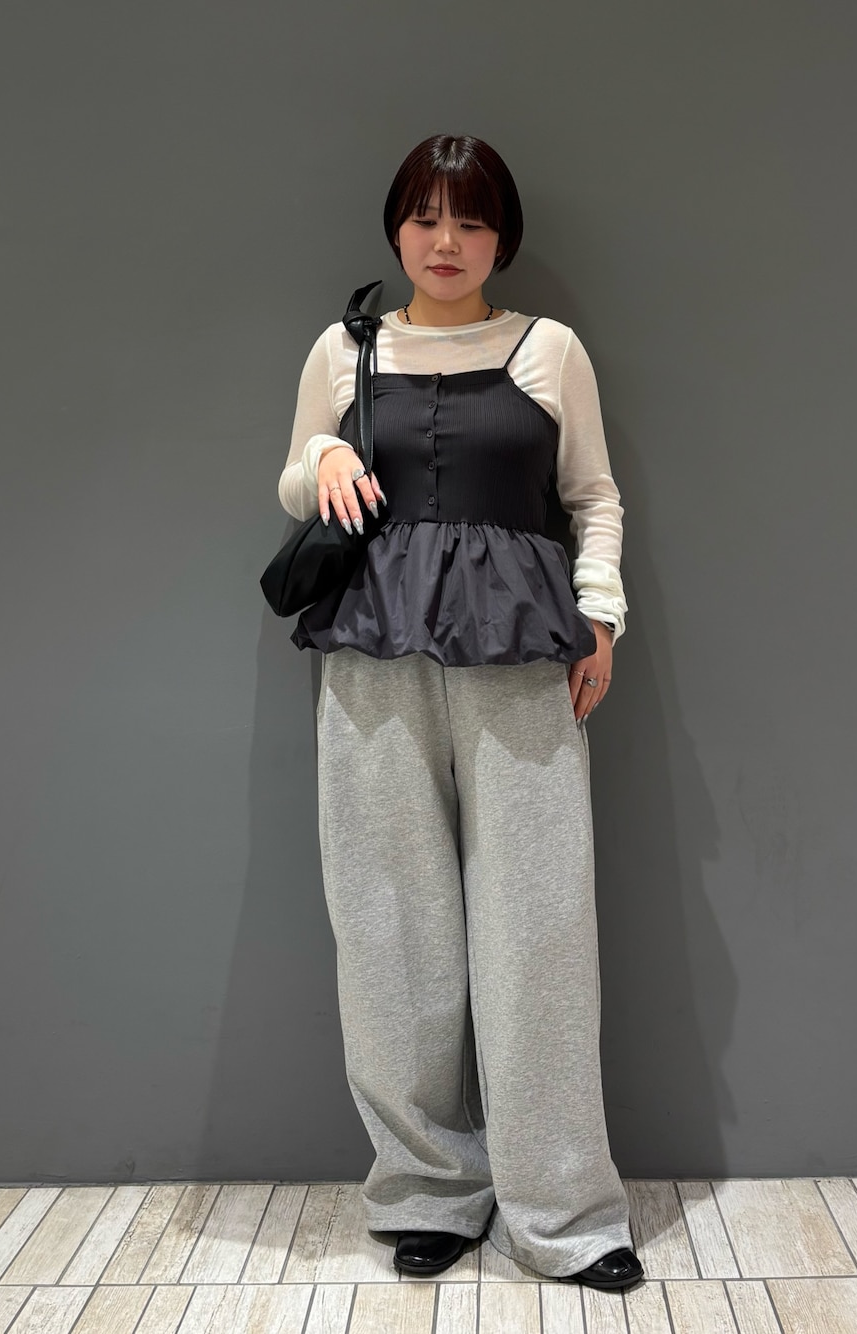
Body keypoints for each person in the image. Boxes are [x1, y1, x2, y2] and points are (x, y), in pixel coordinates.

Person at [276, 134, 643, 1291]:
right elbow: (292, 479)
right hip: (372, 662)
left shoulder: (549, 349)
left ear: (501, 237)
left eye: (471, 220)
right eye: (426, 217)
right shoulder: (344, 348)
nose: (446, 241)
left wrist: (601, 614)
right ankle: (427, 1188)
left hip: (519, 659)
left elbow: (591, 494)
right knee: (390, 932)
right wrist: (322, 449)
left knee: (539, 935)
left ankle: (562, 1211)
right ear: (396, 226)